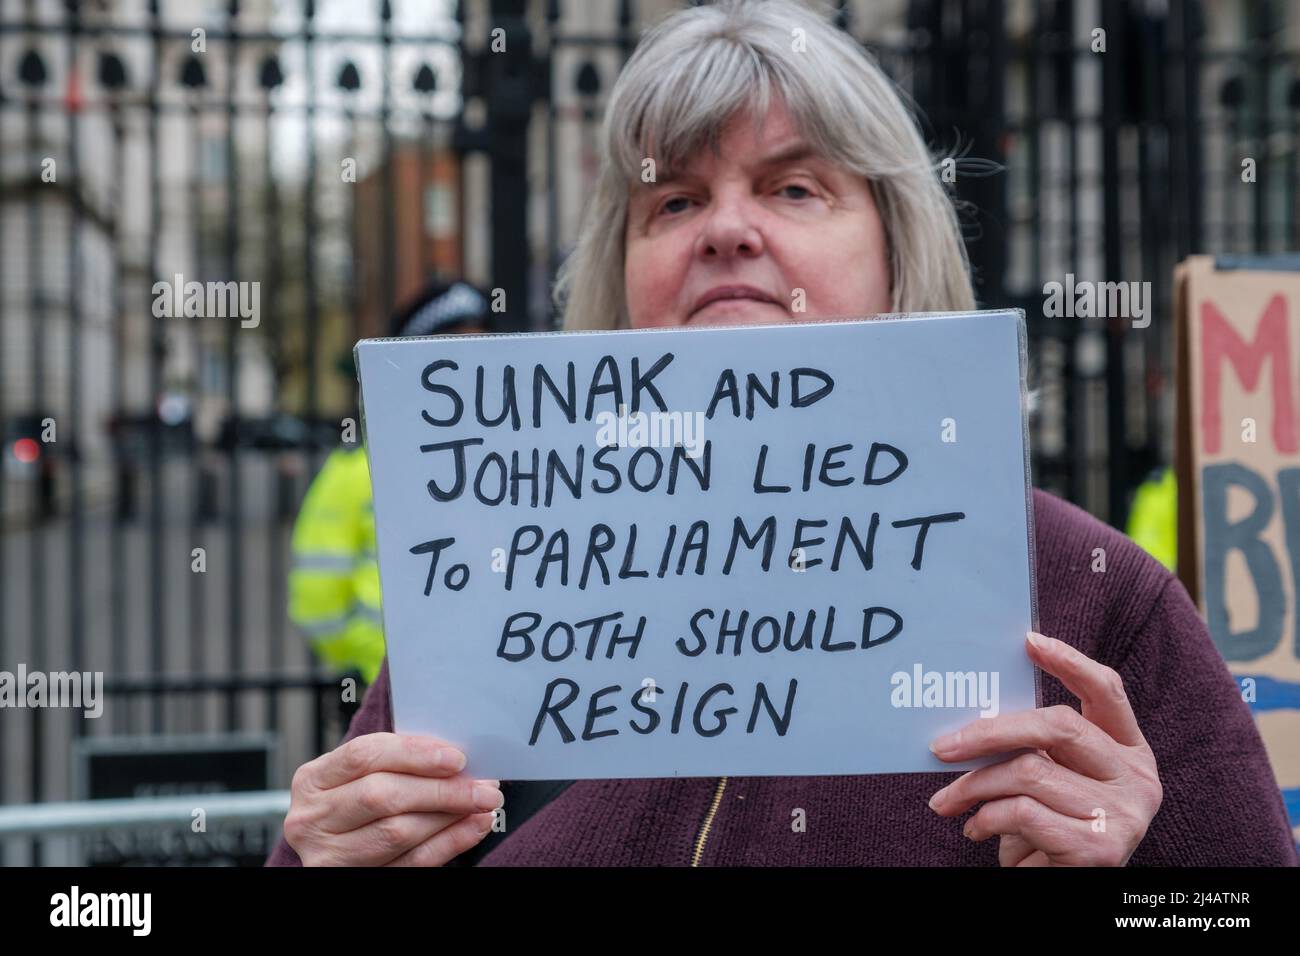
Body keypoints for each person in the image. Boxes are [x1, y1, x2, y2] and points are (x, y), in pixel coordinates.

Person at [268, 0, 1297, 867]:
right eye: (671, 199)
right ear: (620, 279)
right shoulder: (495, 600)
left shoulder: (1090, 595)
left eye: (792, 187)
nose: (724, 227)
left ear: (897, 250)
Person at [287, 282, 490, 685]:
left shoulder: (508, 458)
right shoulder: (357, 470)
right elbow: (318, 602)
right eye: (449, 356)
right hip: (389, 692)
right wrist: (372, 665)